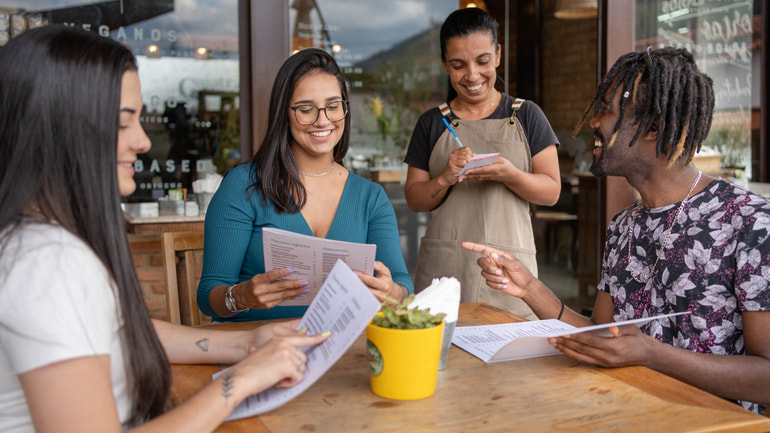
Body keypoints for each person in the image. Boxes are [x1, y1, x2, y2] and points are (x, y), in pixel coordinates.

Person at [0, 25, 329, 432]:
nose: (142, 141)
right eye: (123, 123)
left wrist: (246, 343)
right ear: (51, 132)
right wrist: (240, 380)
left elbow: (119, 329)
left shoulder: (39, 239)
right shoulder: (47, 264)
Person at [463, 47, 770, 413]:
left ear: (653, 126)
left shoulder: (750, 222)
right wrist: (529, 288)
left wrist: (653, 355)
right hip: (621, 413)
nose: (594, 122)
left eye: (606, 110)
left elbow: (765, 378)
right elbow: (600, 334)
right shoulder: (624, 225)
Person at [197, 48, 413, 322]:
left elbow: (403, 282)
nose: (323, 120)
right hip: (258, 349)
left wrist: (392, 292)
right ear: (284, 114)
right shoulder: (244, 186)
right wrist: (241, 296)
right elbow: (208, 297)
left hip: (342, 349)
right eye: (306, 109)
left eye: (333, 106)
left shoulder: (370, 197)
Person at [403, 7, 561, 319]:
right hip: (445, 268)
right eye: (458, 65)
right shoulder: (432, 122)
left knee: (511, 360)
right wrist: (445, 178)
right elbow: (414, 199)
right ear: (444, 64)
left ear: (498, 55)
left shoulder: (527, 115)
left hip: (509, 271)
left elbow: (551, 192)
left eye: (483, 61)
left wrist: (511, 175)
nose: (473, 75)